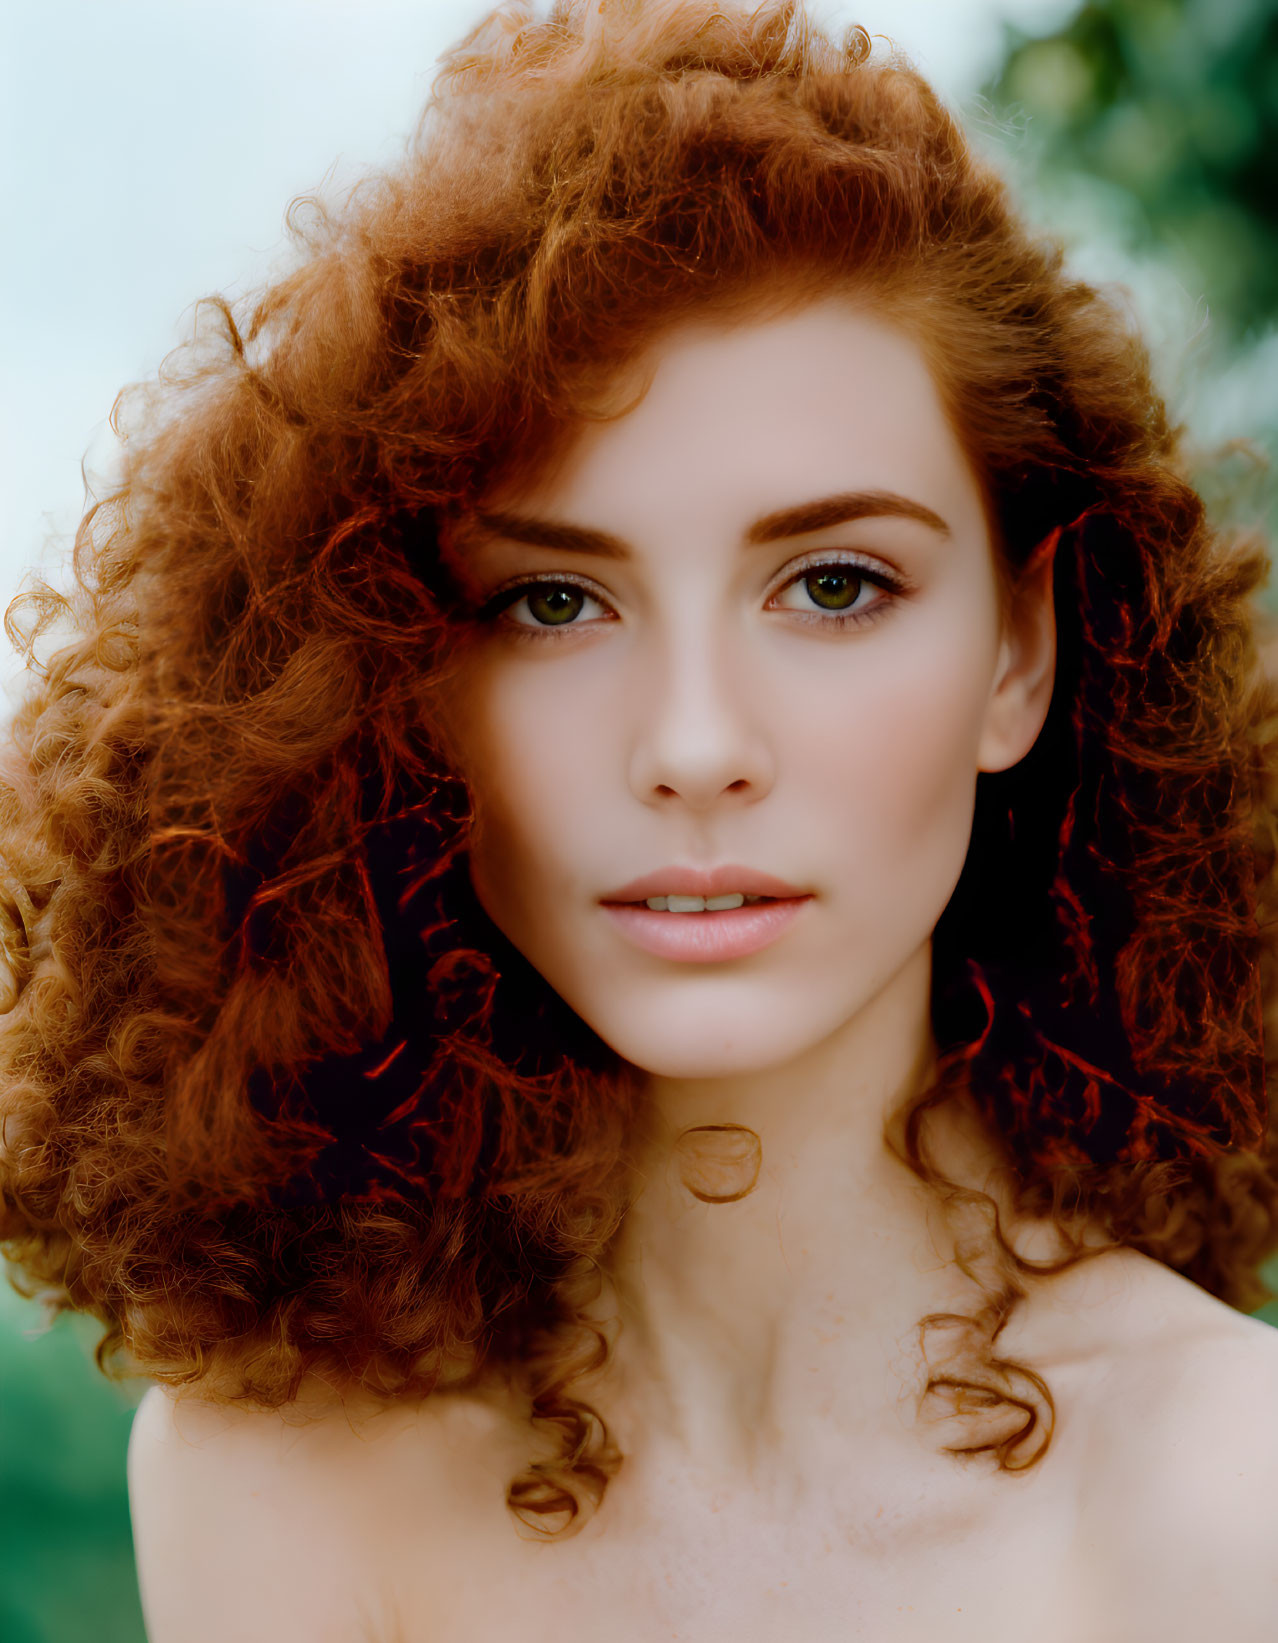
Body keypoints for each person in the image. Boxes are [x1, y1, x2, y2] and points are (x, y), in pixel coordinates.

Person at [1, 0, 1276, 1637]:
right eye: (550, 602)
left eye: (832, 586)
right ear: (396, 680)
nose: (691, 747)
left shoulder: (1231, 1500)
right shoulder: (276, 1473)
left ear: (1016, 655)